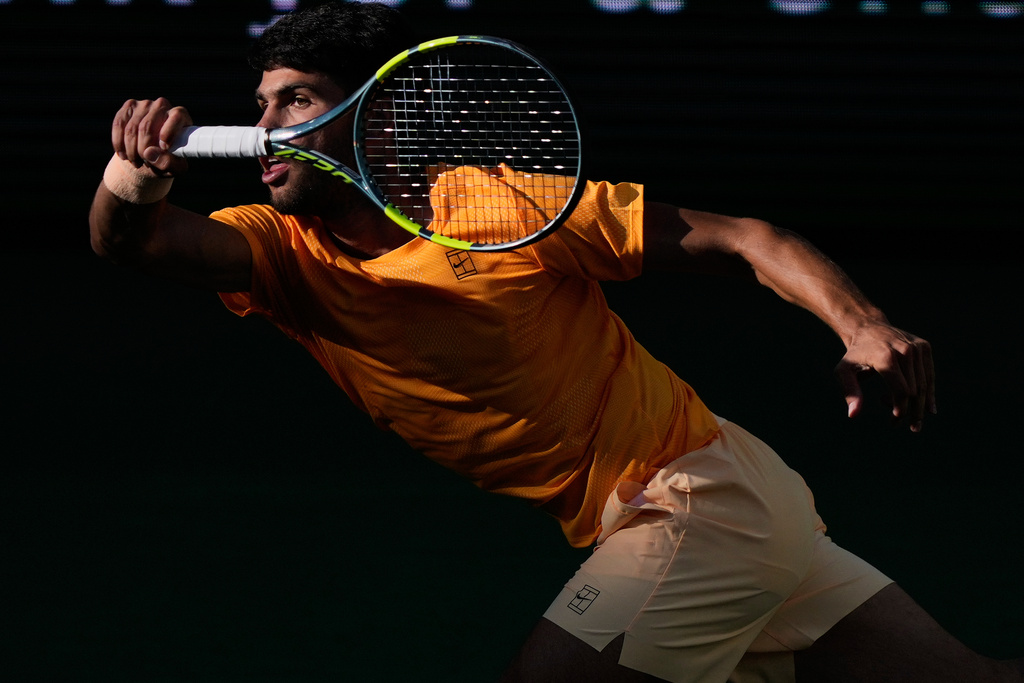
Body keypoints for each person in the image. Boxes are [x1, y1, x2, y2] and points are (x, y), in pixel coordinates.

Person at [88, 3, 1019, 682]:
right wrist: (133, 175)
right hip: (707, 512)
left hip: (698, 496)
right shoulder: (277, 249)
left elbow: (744, 237)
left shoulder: (498, 207)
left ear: (375, 117)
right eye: (259, 105)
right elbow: (136, 240)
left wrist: (863, 324)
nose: (261, 132)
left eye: (294, 102)